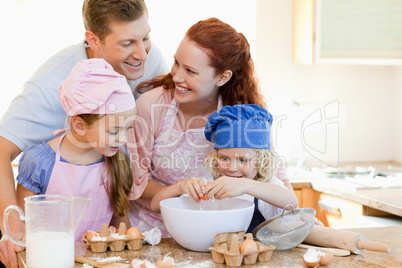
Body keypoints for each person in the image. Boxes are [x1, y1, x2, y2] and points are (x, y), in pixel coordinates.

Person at [0, 0, 167, 267]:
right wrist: (13, 228)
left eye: (145, 38)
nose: (143, 54)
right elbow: (1, 150)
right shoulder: (48, 86)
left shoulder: (148, 55)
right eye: (127, 44)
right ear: (93, 40)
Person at [127, 17, 280, 237]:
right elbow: (136, 182)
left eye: (190, 71)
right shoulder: (151, 106)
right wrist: (183, 192)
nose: (177, 75)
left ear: (222, 77)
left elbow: (275, 176)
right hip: (153, 231)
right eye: (177, 62)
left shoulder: (241, 116)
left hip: (216, 231)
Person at [16, 58, 135, 241]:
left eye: (128, 128)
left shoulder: (118, 158)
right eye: (113, 131)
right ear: (80, 126)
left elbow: (121, 223)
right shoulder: (39, 162)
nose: (123, 139)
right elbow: (23, 229)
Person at [150, 104, 299, 233]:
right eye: (224, 158)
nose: (232, 168)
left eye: (242, 160)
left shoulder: (266, 187)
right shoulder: (210, 185)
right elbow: (155, 206)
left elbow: (292, 202)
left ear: (261, 160)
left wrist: (246, 185)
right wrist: (180, 187)